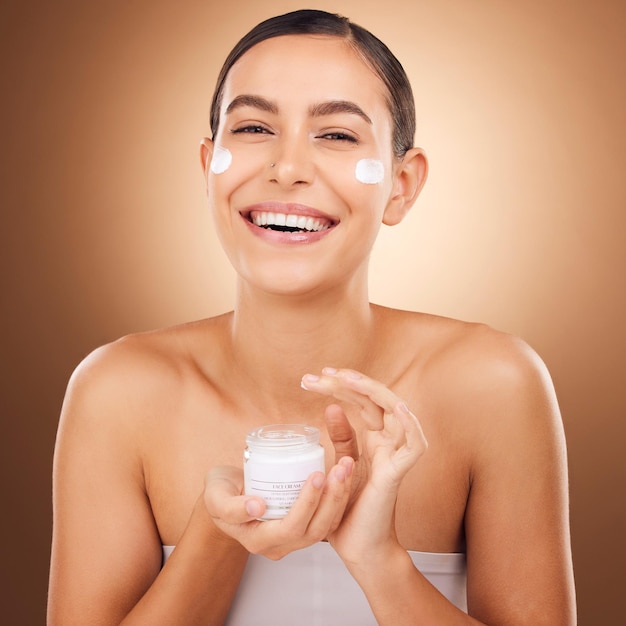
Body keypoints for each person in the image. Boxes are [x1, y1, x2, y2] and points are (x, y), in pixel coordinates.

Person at [47, 9, 576, 625]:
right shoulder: (117, 390)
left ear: (402, 185)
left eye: (337, 135)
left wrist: (379, 560)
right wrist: (220, 535)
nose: (288, 167)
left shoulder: (494, 383)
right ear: (207, 166)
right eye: (251, 128)